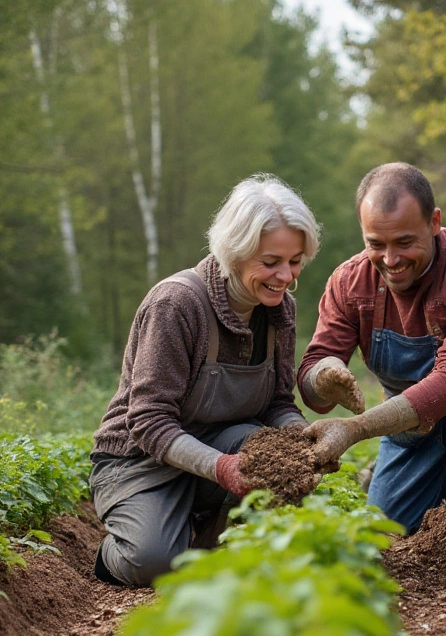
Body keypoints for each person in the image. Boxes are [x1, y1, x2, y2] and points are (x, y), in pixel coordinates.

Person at [88, 174, 319, 586]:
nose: (285, 276)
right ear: (234, 252)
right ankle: (122, 548)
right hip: (140, 462)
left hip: (222, 452)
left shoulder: (280, 310)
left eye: (295, 261)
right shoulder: (177, 304)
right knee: (153, 562)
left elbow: (277, 404)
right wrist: (221, 467)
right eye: (270, 262)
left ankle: (206, 540)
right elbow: (148, 421)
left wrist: (305, 440)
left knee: (273, 461)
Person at [299, 163, 446, 533]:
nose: (390, 259)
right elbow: (312, 370)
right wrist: (323, 377)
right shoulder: (349, 282)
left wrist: (356, 429)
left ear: (434, 222)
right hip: (408, 432)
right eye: (375, 244)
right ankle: (427, 487)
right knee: (383, 538)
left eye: (405, 242)